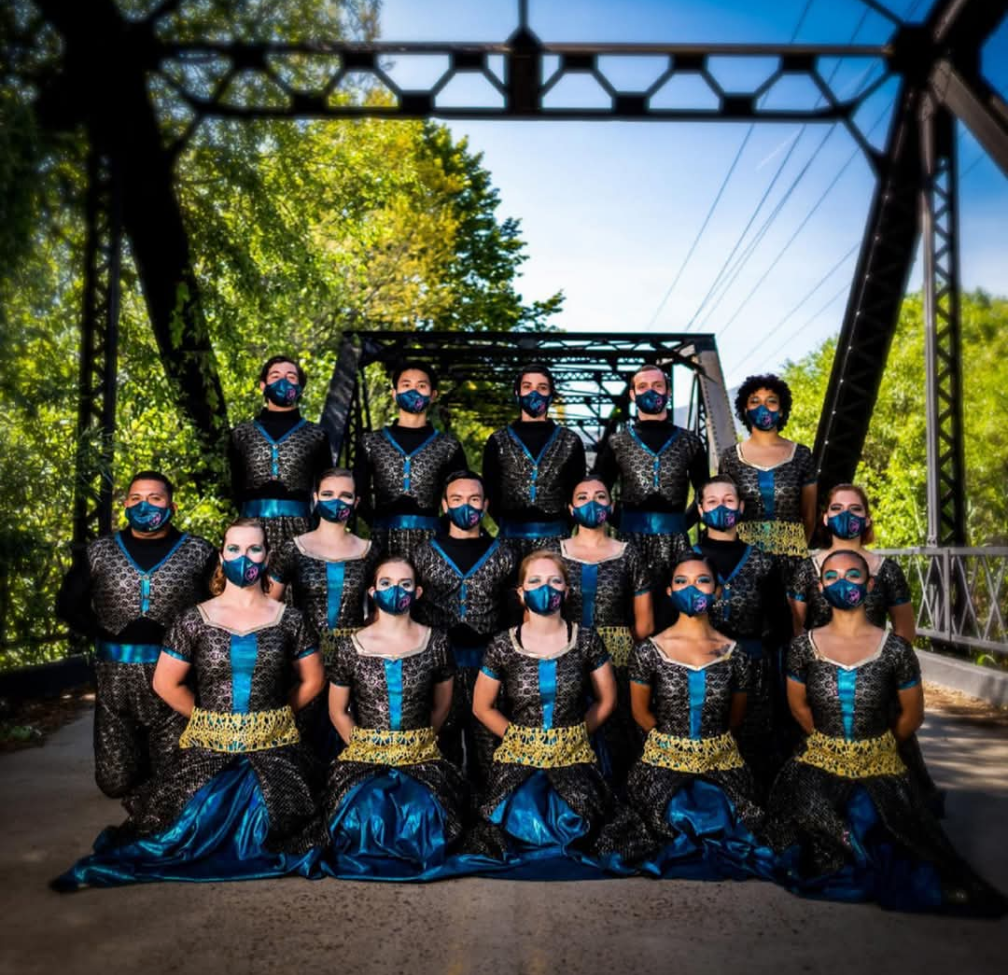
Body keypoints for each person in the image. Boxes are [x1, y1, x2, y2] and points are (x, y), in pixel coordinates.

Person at [54, 519, 325, 889]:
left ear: (266, 556)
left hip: (274, 746)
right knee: (193, 817)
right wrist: (205, 719)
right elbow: (165, 682)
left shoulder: (291, 619)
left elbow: (313, 679)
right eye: (234, 549)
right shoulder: (193, 619)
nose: (243, 558)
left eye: (253, 549)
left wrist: (279, 716)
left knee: (274, 814)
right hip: (209, 744)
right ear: (221, 556)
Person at [765, 549, 1005, 915]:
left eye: (852, 576)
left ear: (870, 584)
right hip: (818, 759)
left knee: (881, 823)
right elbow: (799, 707)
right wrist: (830, 745)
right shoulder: (803, 647)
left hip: (881, 762)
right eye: (831, 577)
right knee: (810, 819)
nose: (842, 583)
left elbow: (912, 714)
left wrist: (876, 748)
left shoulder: (894, 649)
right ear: (820, 587)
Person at [472, 552, 652, 871]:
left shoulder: (586, 639)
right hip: (519, 756)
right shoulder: (502, 644)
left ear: (567, 592)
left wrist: (577, 735)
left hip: (572, 754)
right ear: (521, 593)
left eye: (555, 581)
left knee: (578, 816)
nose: (546, 588)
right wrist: (518, 738)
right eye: (536, 581)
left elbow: (607, 700)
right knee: (519, 810)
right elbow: (481, 706)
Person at [56, 471, 217, 798]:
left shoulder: (199, 551)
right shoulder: (99, 551)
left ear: (172, 506)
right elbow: (67, 605)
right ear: (126, 505)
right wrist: (102, 632)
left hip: (176, 675)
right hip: (115, 677)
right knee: (115, 783)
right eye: (136, 499)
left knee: (175, 782)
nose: (144, 506)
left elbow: (221, 608)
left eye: (154, 499)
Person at [787, 482, 939, 810]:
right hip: (823, 683)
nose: (846, 515)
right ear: (825, 518)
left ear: (867, 519)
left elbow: (904, 630)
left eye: (855, 509)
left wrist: (884, 673)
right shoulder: (806, 570)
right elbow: (797, 629)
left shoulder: (886, 570)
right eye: (837, 509)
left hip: (875, 682)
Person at [318, 556, 471, 879]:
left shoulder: (436, 641)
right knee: (364, 810)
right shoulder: (350, 646)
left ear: (417, 592)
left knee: (423, 812)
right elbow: (337, 710)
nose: (395, 591)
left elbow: (442, 705)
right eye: (386, 583)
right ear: (373, 591)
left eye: (405, 584)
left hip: (420, 754)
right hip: (365, 754)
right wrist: (364, 747)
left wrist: (419, 743)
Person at [626, 554, 772, 878]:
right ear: (669, 592)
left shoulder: (736, 654)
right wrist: (673, 747)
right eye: (682, 582)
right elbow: (639, 711)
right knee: (675, 810)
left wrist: (708, 749)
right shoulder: (648, 651)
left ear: (717, 592)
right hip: (662, 761)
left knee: (723, 810)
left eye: (702, 581)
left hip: (720, 760)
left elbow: (736, 718)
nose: (691, 589)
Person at [413, 470, 518, 789]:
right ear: (445, 505)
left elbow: (514, 618)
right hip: (438, 669)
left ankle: (488, 812)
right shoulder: (422, 553)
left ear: (485, 505)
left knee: (490, 753)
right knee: (440, 751)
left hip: (489, 668)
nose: (466, 506)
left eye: (474, 499)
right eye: (457, 499)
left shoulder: (504, 554)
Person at [268, 467, 379, 762]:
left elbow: (380, 615)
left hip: (354, 659)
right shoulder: (292, 549)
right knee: (302, 738)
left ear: (356, 502)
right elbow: (268, 609)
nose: (336, 501)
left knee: (346, 739)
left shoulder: (370, 551)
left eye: (345, 495)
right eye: (328, 494)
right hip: (302, 658)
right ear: (316, 498)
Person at [693, 475, 791, 794]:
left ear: (741, 507)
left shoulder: (764, 562)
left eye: (729, 501)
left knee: (752, 748)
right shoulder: (687, 560)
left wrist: (759, 654)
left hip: (754, 671)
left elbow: (782, 624)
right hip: (697, 666)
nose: (721, 508)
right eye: (712, 502)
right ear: (700, 510)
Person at [557, 477, 653, 787]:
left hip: (618, 657)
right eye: (582, 497)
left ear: (610, 507)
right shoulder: (554, 552)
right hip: (565, 652)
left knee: (617, 729)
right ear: (571, 508)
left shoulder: (629, 553)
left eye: (600, 496)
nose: (592, 502)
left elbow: (645, 624)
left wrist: (626, 652)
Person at [594, 364, 708, 590]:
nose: (650, 391)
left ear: (668, 392)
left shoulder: (690, 442)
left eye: (657, 385)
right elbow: (597, 492)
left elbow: (706, 494)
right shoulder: (618, 442)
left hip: (676, 541)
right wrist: (621, 522)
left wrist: (682, 524)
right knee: (630, 603)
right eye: (643, 386)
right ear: (632, 394)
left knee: (676, 601)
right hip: (629, 541)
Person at [355, 361, 467, 562]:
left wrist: (440, 527)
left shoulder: (448, 445)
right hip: (382, 541)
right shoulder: (371, 442)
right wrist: (376, 524)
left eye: (421, 386)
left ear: (433, 395)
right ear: (394, 393)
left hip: (433, 543)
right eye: (406, 385)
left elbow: (462, 495)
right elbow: (356, 493)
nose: (413, 391)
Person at [716, 374, 817, 579]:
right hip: (744, 555)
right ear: (745, 410)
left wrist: (797, 549)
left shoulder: (801, 455)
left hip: (792, 555)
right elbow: (725, 512)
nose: (763, 407)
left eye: (771, 401)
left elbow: (809, 515)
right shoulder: (730, 458)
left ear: (781, 410)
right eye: (755, 401)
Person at [482, 364, 587, 560]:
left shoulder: (570, 440)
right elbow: (489, 491)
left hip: (556, 539)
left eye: (542, 388)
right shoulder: (497, 440)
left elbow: (578, 491)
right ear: (517, 393)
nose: (534, 393)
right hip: (509, 540)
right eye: (527, 387)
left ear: (551, 395)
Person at [229, 355, 333, 551]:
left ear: (300, 387)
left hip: (301, 529)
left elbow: (326, 486)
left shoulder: (316, 435)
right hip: (250, 530)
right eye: (275, 376)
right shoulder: (241, 434)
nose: (283, 382)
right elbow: (234, 487)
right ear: (263, 385)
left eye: (291, 377)